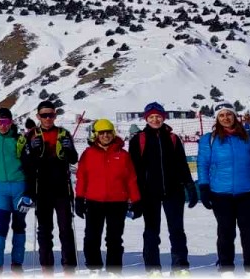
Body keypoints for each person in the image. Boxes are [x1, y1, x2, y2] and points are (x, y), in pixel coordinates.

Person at [197, 103, 250, 273]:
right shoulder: (209, 139)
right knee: (226, 233)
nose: (225, 118)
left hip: (248, 193)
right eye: (221, 115)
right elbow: (202, 164)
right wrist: (204, 187)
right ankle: (226, 268)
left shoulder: (247, 138)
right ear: (217, 118)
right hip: (221, 194)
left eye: (229, 114)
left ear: (234, 116)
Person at [128, 101, 197, 273]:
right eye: (151, 117)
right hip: (148, 193)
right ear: (146, 119)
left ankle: (180, 266)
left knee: (177, 231)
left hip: (173, 191)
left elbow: (182, 164)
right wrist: (134, 195)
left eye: (158, 116)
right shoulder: (139, 140)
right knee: (151, 232)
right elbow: (133, 169)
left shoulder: (173, 138)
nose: (155, 120)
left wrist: (190, 185)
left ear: (163, 117)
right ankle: (152, 268)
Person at [74, 119, 141, 272]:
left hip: (117, 202)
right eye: (102, 133)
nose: (105, 136)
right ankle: (94, 267)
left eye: (108, 132)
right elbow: (82, 178)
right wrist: (79, 199)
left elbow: (131, 179)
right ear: (96, 135)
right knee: (92, 237)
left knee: (114, 239)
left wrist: (136, 200)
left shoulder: (123, 155)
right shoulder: (88, 154)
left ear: (113, 133)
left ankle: (114, 271)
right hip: (94, 201)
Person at [22, 101, 78, 271]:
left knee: (66, 230)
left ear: (55, 115)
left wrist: (69, 150)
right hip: (42, 190)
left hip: (62, 189)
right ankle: (47, 267)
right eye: (44, 115)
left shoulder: (63, 133)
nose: (48, 118)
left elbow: (74, 159)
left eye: (51, 115)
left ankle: (69, 267)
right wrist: (31, 150)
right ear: (38, 116)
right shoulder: (30, 135)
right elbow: (25, 164)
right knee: (45, 231)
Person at [0, 107, 33, 274]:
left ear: (11, 122)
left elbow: (31, 169)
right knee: (1, 226)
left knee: (19, 225)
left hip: (19, 187)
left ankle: (17, 264)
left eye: (6, 122)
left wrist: (29, 194)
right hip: (1, 189)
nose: (3, 126)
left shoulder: (20, 140)